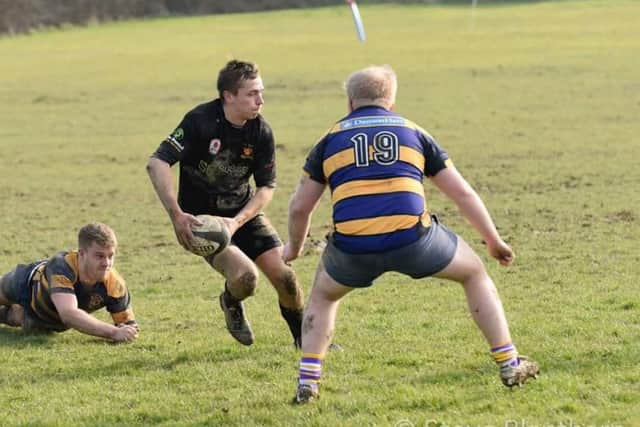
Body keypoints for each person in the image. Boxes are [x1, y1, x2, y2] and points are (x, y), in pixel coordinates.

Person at [283, 65, 540, 403]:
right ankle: (509, 362)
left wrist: (295, 247)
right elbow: (461, 193)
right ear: (391, 100)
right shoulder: (413, 131)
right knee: (475, 273)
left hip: (352, 247)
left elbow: (300, 206)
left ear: (349, 103)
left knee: (323, 297)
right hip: (414, 240)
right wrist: (493, 240)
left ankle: (308, 383)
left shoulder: (329, 140)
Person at [146, 59, 304, 347]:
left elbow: (266, 187)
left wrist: (236, 221)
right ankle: (231, 302)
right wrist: (177, 215)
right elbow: (157, 163)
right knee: (246, 279)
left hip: (241, 214)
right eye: (252, 94)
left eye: (261, 92)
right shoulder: (199, 121)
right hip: (201, 223)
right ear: (228, 96)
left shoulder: (261, 132)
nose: (260, 100)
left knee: (286, 279)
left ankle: (304, 341)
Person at [0, 222, 139, 342]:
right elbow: (68, 314)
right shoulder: (62, 266)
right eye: (99, 256)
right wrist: (113, 333)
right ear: (82, 253)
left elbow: (129, 327)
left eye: (110, 256)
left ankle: (16, 313)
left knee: (16, 318)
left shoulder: (115, 284)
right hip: (26, 283)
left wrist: (127, 332)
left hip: (47, 319)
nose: (106, 263)